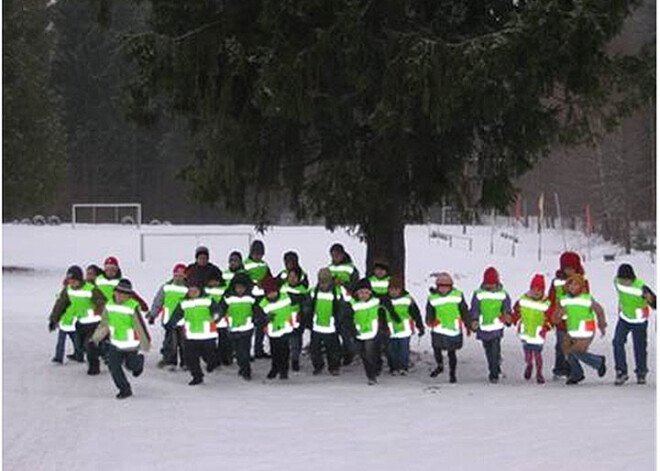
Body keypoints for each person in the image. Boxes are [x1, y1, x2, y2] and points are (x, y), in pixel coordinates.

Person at [91, 279, 150, 399]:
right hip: (115, 343)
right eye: (118, 293)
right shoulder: (109, 306)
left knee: (131, 366)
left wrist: (145, 344)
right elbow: (104, 324)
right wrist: (95, 338)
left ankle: (139, 362)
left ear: (128, 296)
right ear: (114, 292)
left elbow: (140, 326)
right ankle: (124, 389)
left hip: (130, 345)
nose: (120, 296)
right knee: (114, 367)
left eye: (124, 294)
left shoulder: (132, 307)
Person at [48, 266, 105, 372]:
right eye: (70, 280)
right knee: (80, 346)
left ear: (80, 279)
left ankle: (94, 366)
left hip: (94, 323)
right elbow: (60, 304)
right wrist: (53, 319)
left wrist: (99, 308)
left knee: (89, 345)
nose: (72, 283)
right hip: (80, 323)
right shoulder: (68, 290)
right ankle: (103, 351)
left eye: (74, 280)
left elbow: (102, 301)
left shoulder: (90, 288)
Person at [555, 274, 607, 385]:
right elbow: (557, 315)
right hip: (572, 330)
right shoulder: (564, 299)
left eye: (576, 284)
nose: (573, 287)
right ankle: (577, 374)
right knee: (566, 349)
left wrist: (602, 325)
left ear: (581, 286)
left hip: (586, 330)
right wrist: (558, 315)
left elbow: (599, 311)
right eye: (571, 284)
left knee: (575, 351)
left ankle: (598, 362)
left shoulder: (587, 298)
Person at [165, 281, 220, 385]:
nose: (193, 293)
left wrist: (216, 316)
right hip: (190, 335)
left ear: (200, 291)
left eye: (195, 291)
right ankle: (197, 376)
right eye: (190, 291)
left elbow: (217, 310)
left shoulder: (208, 300)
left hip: (207, 335)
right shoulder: (183, 303)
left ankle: (212, 363)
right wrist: (170, 324)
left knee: (209, 355)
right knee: (190, 358)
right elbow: (176, 315)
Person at [343, 278, 397, 385]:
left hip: (373, 332)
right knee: (364, 355)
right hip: (359, 333)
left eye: (366, 292)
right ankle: (372, 371)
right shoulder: (352, 304)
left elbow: (386, 299)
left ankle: (372, 375)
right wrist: (352, 330)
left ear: (370, 293)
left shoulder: (376, 301)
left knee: (371, 354)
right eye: (361, 293)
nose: (363, 295)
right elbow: (347, 318)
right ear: (357, 293)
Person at [426, 272, 476, 383]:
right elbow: (429, 311)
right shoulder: (432, 298)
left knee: (451, 353)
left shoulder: (457, 295)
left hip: (453, 329)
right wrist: (429, 321)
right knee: (436, 349)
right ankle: (439, 365)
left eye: (446, 286)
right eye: (441, 286)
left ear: (451, 286)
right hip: (438, 328)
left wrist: (468, 325)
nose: (444, 289)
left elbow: (464, 311)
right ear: (437, 286)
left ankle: (452, 374)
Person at [612, 263, 656, 385]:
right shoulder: (616, 281)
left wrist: (650, 299)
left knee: (639, 346)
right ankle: (621, 371)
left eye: (626, 280)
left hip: (639, 321)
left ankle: (641, 372)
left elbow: (655, 303)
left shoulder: (641, 287)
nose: (624, 282)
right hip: (624, 318)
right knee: (617, 342)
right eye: (622, 279)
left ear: (632, 278)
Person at [548, 251, 589, 379]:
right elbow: (551, 297)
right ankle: (560, 369)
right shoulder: (557, 281)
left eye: (571, 268)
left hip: (575, 319)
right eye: (566, 268)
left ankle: (573, 369)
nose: (568, 271)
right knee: (560, 344)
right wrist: (552, 314)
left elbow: (586, 297)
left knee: (573, 345)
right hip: (561, 319)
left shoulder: (582, 281)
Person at [469, 267, 513, 383]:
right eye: (488, 283)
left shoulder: (503, 294)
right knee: (488, 349)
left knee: (495, 348)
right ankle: (494, 365)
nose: (490, 286)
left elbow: (507, 307)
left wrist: (507, 316)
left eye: (492, 283)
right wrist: (474, 320)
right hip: (483, 326)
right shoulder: (478, 294)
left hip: (497, 326)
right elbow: (475, 308)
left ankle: (493, 373)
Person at [217, 273, 261, 380]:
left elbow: (257, 310)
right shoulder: (228, 297)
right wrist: (217, 317)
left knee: (244, 350)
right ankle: (242, 367)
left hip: (247, 328)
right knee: (237, 351)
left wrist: (257, 319)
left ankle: (246, 370)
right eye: (237, 287)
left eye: (242, 287)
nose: (240, 290)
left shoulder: (251, 298)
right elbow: (221, 309)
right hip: (233, 328)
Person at [511, 274, 553, 384]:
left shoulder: (546, 303)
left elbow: (550, 319)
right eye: (534, 289)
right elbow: (517, 311)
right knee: (528, 354)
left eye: (539, 290)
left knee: (538, 354)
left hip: (538, 334)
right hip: (525, 333)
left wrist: (546, 327)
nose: (536, 292)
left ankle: (539, 372)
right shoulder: (523, 300)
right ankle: (529, 365)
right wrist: (514, 319)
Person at [147, 263, 189, 369]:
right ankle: (170, 361)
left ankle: (186, 362)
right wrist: (153, 314)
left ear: (185, 276)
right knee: (170, 342)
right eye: (176, 275)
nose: (178, 278)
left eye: (181, 275)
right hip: (169, 321)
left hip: (184, 322)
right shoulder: (166, 287)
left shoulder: (189, 288)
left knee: (185, 343)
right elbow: (158, 301)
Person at [305, 268, 344, 376]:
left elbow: (342, 308)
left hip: (331, 327)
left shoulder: (337, 292)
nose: (323, 285)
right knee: (315, 349)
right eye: (321, 282)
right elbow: (307, 306)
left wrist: (338, 321)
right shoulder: (313, 291)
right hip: (316, 326)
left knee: (333, 349)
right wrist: (308, 319)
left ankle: (334, 367)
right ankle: (318, 366)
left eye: (325, 282)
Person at [257, 277, 297, 380]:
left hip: (285, 329)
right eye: (269, 293)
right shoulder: (263, 303)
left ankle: (284, 371)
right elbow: (259, 318)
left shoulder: (286, 297)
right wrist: (265, 319)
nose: (272, 294)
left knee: (284, 351)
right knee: (275, 351)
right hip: (273, 331)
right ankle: (275, 368)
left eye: (273, 292)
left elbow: (296, 304)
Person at [386, 275, 425, 375]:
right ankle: (393, 367)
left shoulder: (408, 299)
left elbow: (415, 313)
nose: (394, 292)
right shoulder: (384, 300)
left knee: (404, 350)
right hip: (390, 330)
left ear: (400, 289)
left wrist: (420, 326)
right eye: (391, 289)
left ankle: (403, 367)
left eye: (396, 289)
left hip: (405, 329)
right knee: (391, 350)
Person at [328, 243, 359, 365]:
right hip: (332, 302)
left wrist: (343, 283)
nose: (335, 257)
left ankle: (349, 353)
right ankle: (338, 353)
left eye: (337, 254)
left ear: (342, 254)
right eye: (333, 255)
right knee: (334, 329)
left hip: (346, 303)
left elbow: (355, 286)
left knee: (345, 330)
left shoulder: (351, 268)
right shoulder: (329, 268)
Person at [244, 240, 271, 358]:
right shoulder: (245, 264)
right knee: (248, 325)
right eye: (256, 253)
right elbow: (241, 279)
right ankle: (246, 351)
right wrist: (254, 284)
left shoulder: (264, 265)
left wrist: (264, 283)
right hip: (248, 298)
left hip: (261, 299)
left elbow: (270, 280)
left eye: (260, 254)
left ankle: (258, 350)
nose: (258, 256)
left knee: (261, 324)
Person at [280, 267, 310, 372]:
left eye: (294, 277)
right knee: (284, 342)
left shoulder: (303, 290)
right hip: (284, 319)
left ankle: (295, 361)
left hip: (297, 319)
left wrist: (303, 318)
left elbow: (307, 306)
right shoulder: (283, 288)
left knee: (296, 342)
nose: (292, 279)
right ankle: (284, 361)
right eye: (290, 277)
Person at [205, 267, 233, 366]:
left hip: (223, 320)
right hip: (210, 320)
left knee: (224, 341)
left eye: (215, 281)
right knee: (211, 342)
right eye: (211, 281)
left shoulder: (225, 289)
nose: (213, 283)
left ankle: (225, 358)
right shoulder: (205, 290)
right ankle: (213, 359)